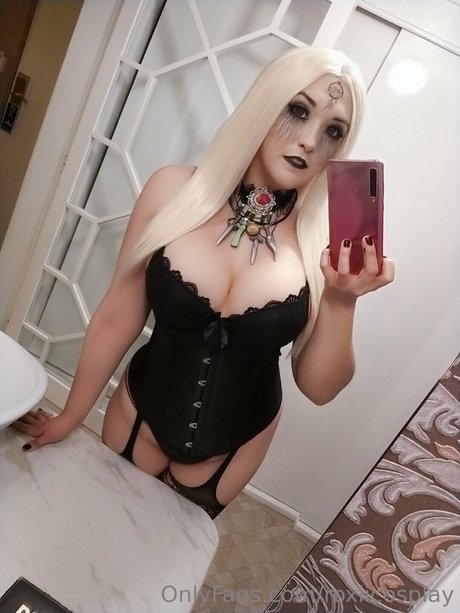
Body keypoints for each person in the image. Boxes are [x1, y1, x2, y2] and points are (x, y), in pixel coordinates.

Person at [13, 46, 395, 519]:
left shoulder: (323, 244)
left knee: (160, 557)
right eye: (298, 111)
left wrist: (341, 300)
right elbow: (117, 317)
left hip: (231, 454)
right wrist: (71, 415)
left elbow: (319, 389)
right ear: (263, 104)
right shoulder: (172, 190)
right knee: (93, 525)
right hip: (136, 416)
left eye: (333, 131)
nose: (310, 141)